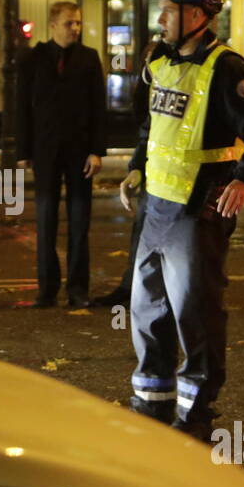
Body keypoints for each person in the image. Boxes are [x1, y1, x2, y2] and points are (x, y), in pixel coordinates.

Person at [124, 0, 244, 440]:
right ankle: (151, 403)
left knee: (195, 311)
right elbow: (149, 124)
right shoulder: (158, 60)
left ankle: (195, 413)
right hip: (155, 205)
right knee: (146, 309)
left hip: (198, 208)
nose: (160, 19)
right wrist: (137, 166)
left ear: (196, 16)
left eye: (169, 11)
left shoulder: (227, 69)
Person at [16, 0, 106, 308]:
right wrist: (23, 150)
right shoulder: (33, 59)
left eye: (78, 23)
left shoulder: (89, 58)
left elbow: (98, 108)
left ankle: (78, 289)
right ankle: (47, 288)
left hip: (80, 151)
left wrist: (96, 150)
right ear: (53, 25)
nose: (75, 29)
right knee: (46, 221)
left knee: (80, 223)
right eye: (69, 23)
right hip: (46, 150)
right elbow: (22, 107)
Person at [94, 44, 155, 307]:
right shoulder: (148, 88)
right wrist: (136, 169)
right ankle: (131, 287)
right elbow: (146, 130)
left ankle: (142, 291)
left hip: (181, 179)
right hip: (156, 173)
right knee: (141, 233)